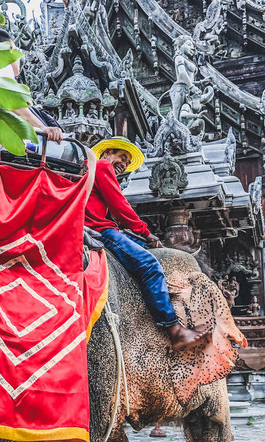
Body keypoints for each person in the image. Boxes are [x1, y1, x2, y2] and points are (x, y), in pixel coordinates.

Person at [88, 136, 208, 349]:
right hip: (101, 230)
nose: (123, 164)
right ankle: (174, 329)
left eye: (126, 162)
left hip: (105, 227)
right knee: (150, 265)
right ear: (106, 153)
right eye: (121, 157)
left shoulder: (94, 169)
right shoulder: (102, 165)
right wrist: (145, 233)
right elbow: (119, 207)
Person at [0, 29, 62, 143]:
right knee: (87, 154)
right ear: (8, 49)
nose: (20, 59)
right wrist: (42, 128)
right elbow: (11, 101)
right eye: (17, 52)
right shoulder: (1, 67)